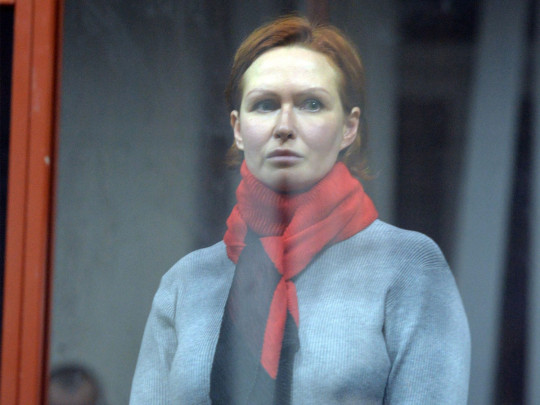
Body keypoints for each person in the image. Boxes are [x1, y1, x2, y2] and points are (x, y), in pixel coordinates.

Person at [130, 16, 470, 404]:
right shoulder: (188, 281)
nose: (285, 126)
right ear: (238, 129)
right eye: (265, 105)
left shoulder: (406, 265)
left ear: (349, 128)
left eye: (312, 104)